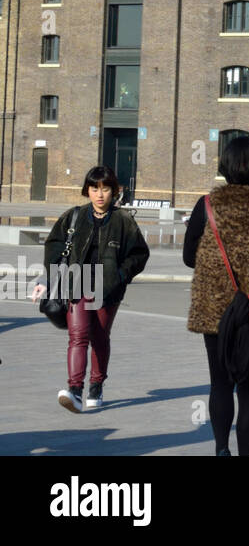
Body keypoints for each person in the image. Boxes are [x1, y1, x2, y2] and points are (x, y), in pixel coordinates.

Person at [183, 136, 249, 456]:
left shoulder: (206, 204)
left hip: (215, 311)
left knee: (220, 384)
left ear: (225, 166)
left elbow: (189, 257)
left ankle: (220, 450)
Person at [33, 165, 150, 413]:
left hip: (108, 287)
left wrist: (120, 274)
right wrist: (48, 278)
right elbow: (54, 247)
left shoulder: (123, 220)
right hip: (77, 282)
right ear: (87, 190)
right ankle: (74, 390)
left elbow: (140, 254)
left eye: (105, 189)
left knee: (99, 337)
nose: (100, 194)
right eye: (94, 188)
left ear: (114, 191)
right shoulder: (73, 216)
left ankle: (96, 384)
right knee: (78, 336)